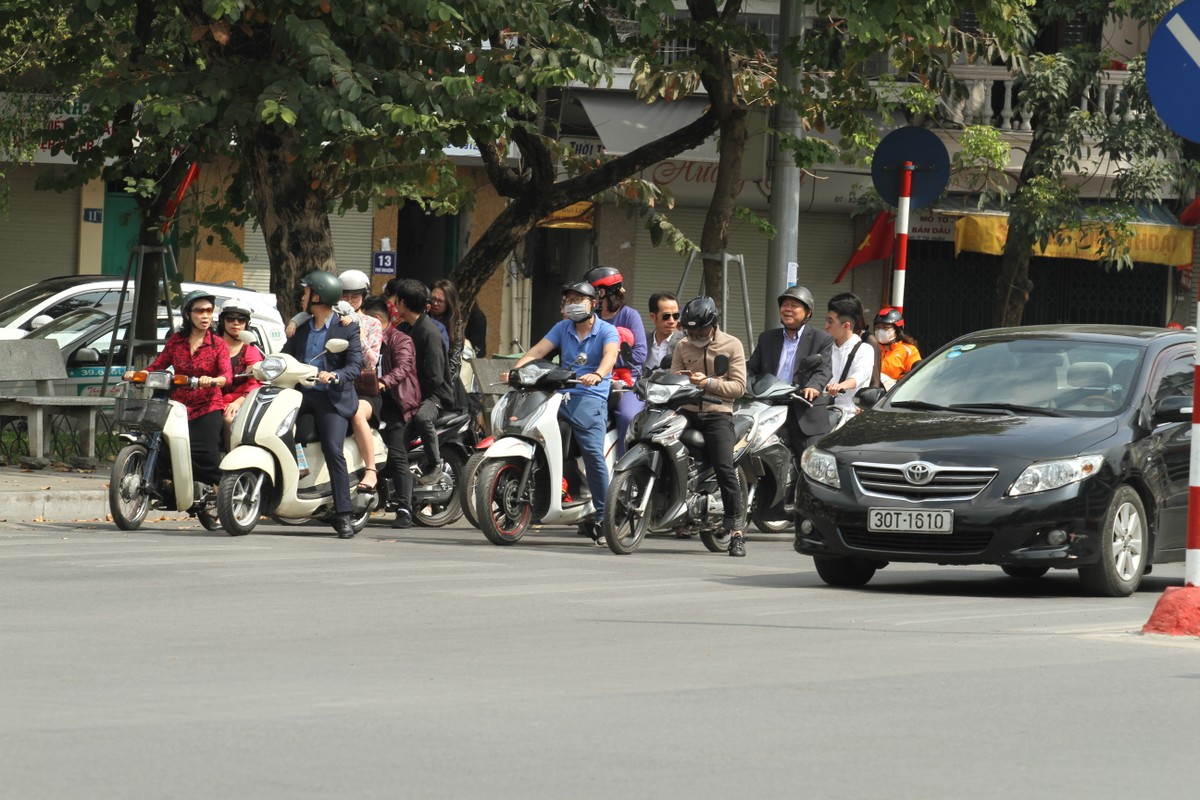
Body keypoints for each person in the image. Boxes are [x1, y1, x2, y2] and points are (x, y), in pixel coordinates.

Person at [508, 281, 618, 544]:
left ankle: (604, 517)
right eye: (569, 299)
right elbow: (538, 350)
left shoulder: (607, 331)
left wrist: (598, 374)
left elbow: (610, 356)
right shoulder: (562, 328)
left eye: (579, 299)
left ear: (593, 304)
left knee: (592, 453)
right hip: (559, 395)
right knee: (532, 433)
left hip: (590, 397)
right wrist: (516, 369)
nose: (573, 304)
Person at [282, 270, 363, 539]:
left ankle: (343, 514)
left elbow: (354, 365)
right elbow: (286, 357)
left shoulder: (347, 326)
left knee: (333, 449)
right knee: (275, 427)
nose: (302, 296)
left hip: (332, 397)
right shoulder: (302, 327)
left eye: (306, 292)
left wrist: (335, 376)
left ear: (318, 296)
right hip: (303, 394)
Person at [127, 290, 232, 486]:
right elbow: (158, 364)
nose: (205, 316)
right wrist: (138, 374)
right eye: (200, 311)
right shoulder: (176, 340)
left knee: (206, 454)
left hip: (207, 406)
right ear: (188, 314)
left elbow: (227, 375)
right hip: (178, 406)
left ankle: (218, 495)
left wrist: (213, 380)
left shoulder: (218, 344)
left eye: (209, 311)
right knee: (162, 446)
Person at [670, 296, 748, 557]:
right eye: (690, 330)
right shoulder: (682, 346)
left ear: (713, 324)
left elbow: (738, 388)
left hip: (718, 414)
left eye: (700, 329)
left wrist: (708, 384)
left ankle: (737, 531)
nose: (694, 335)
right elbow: (673, 379)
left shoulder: (732, 345)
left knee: (725, 467)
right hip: (688, 413)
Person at [747, 285, 833, 468]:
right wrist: (739, 382)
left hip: (805, 411)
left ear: (808, 313)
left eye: (794, 305)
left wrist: (813, 386)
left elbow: (824, 369)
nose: (787, 309)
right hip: (769, 408)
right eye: (785, 304)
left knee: (812, 466)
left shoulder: (821, 339)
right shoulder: (767, 338)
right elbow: (751, 368)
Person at [393, 279, 456, 493]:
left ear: (402, 303)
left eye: (396, 301)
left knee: (421, 417)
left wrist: (412, 398)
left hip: (435, 396)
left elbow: (435, 378)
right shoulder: (404, 328)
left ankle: (435, 464)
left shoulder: (430, 333)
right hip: (411, 393)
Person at [363, 297, 421, 529]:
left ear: (376, 320)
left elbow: (404, 367)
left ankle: (404, 508)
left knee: (396, 452)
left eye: (365, 320)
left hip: (394, 401)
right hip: (367, 398)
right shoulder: (364, 339)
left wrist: (383, 383)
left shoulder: (400, 340)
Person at [583, 267, 646, 453]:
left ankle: (624, 467)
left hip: (626, 384)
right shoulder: (588, 318)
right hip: (591, 380)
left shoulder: (629, 315)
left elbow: (640, 355)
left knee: (628, 416)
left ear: (602, 293)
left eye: (591, 294)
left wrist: (608, 362)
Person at [216, 301, 263, 448]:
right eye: (230, 318)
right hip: (210, 399)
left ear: (246, 324)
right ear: (223, 321)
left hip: (238, 402)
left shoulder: (251, 350)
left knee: (229, 420)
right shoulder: (211, 345)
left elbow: (256, 382)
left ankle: (230, 463)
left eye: (241, 319)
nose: (236, 323)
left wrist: (237, 403)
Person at [824, 295, 876, 412]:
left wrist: (841, 386)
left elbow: (860, 374)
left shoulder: (865, 349)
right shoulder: (825, 347)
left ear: (846, 325)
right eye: (826, 320)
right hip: (822, 413)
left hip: (848, 415)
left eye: (830, 321)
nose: (826, 326)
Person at [829, 290, 882, 389]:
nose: (826, 326)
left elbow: (871, 378)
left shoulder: (867, 342)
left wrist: (842, 386)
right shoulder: (830, 341)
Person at [874, 306, 921, 386]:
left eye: (886, 327)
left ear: (897, 330)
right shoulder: (870, 348)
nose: (880, 331)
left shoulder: (909, 350)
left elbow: (915, 376)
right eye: (878, 327)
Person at [646, 291, 683, 372]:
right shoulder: (642, 341)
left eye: (676, 315)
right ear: (652, 317)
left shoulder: (685, 343)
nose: (672, 321)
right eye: (666, 316)